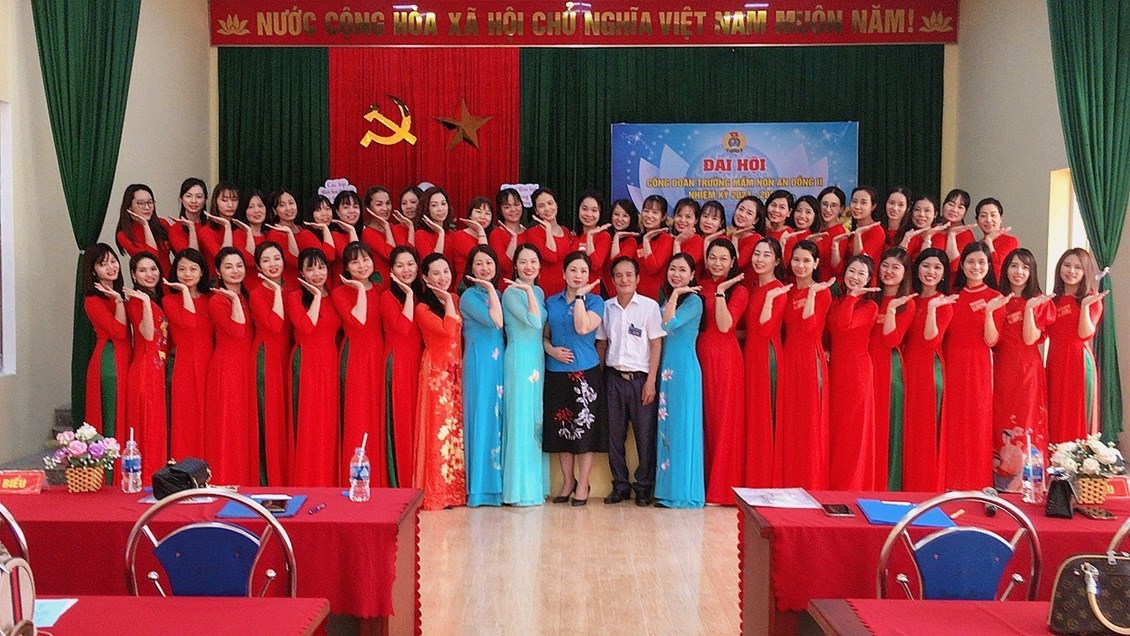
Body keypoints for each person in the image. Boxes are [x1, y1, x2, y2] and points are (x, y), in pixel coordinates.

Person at [597, 256, 665, 506]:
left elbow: (656, 344)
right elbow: (602, 344)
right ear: (612, 279)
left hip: (640, 380)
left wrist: (651, 381)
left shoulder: (649, 307)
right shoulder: (606, 308)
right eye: (618, 275)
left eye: (629, 275)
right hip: (613, 378)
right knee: (614, 436)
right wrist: (600, 378)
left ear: (637, 278)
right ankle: (620, 485)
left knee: (644, 436)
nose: (624, 280)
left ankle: (644, 486)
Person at [543, 251, 605, 506]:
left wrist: (580, 297)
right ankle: (568, 481)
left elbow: (582, 327)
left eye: (583, 271)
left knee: (585, 432)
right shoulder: (551, 302)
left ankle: (583, 483)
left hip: (585, 373)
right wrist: (551, 351)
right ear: (564, 273)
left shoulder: (595, 302)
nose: (578, 275)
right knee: (562, 430)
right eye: (573, 270)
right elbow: (544, 336)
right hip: (556, 372)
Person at [990, 248, 1054, 491]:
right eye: (1014, 266)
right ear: (1005, 269)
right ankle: (1000, 482)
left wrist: (1028, 309)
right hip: (1000, 369)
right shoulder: (997, 300)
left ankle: (1028, 484)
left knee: (1027, 422)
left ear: (1032, 272)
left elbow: (1030, 339)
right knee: (999, 422)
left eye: (1025, 267)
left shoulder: (1039, 302)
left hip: (1027, 371)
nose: (1019, 272)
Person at [773, 240, 834, 489]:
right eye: (796, 260)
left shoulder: (823, 293)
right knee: (790, 420)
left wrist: (810, 294)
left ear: (816, 264)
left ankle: (810, 482)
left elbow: (809, 326)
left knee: (809, 422)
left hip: (810, 360)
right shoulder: (786, 292)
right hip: (788, 357)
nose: (800, 265)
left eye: (806, 261)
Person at [942, 241, 1003, 490]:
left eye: (981, 262)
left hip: (978, 366)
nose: (976, 267)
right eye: (970, 261)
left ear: (988, 266)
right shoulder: (952, 296)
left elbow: (991, 340)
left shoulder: (995, 298)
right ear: (962, 265)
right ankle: (949, 482)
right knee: (952, 422)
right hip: (950, 364)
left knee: (977, 422)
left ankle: (977, 484)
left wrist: (988, 313)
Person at [332, 242, 388, 487]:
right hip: (355, 357)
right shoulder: (340, 293)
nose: (362, 266)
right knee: (358, 415)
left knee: (378, 416)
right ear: (346, 267)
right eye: (355, 262)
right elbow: (359, 321)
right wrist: (360, 290)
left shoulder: (382, 290)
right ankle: (356, 479)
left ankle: (380, 479)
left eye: (366, 259)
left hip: (379, 356)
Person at [414, 253, 467, 510]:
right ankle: (438, 492)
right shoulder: (422, 308)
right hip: (436, 372)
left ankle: (455, 491)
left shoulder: (456, 299)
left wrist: (449, 300)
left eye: (446, 271)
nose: (442, 277)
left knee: (456, 429)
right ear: (425, 278)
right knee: (439, 428)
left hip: (456, 370)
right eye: (436, 273)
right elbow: (448, 330)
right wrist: (446, 301)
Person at [286, 248, 342, 486]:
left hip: (331, 361)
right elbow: (306, 327)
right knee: (309, 423)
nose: (317, 273)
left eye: (321, 267)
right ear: (301, 273)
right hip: (306, 362)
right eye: (310, 269)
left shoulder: (336, 295)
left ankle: (328, 479)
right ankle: (308, 480)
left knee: (329, 422)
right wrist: (317, 296)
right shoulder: (294, 297)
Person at [698, 239, 748, 503]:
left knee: (723, 420)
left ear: (732, 262)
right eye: (713, 257)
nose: (717, 263)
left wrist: (720, 293)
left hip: (726, 359)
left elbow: (725, 325)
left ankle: (721, 489)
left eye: (723, 259)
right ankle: (701, 484)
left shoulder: (739, 290)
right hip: (699, 355)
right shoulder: (699, 285)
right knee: (704, 421)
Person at [901, 248, 954, 491]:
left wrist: (932, 309)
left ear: (944, 274)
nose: (930, 272)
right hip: (906, 369)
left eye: (937, 267)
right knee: (907, 430)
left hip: (929, 371)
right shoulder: (909, 300)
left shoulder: (944, 304)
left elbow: (931, 340)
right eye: (926, 266)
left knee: (925, 432)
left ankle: (924, 488)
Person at [501, 244, 549, 506]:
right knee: (520, 418)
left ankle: (535, 486)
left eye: (533, 261)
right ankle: (518, 490)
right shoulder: (510, 293)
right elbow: (534, 321)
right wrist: (528, 291)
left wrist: (532, 292)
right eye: (523, 262)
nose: (528, 266)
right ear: (515, 266)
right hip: (519, 360)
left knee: (535, 418)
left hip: (536, 359)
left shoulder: (539, 291)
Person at [655, 253, 704, 508]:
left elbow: (667, 324)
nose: (676, 274)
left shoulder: (694, 301)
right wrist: (671, 296)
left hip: (684, 369)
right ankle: (667, 489)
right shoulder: (666, 298)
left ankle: (683, 492)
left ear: (692, 275)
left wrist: (674, 295)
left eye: (682, 270)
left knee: (683, 428)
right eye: (672, 269)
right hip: (667, 368)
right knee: (668, 427)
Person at [206, 247, 258, 486]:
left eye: (239, 266)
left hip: (245, 365)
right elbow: (237, 331)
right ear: (218, 271)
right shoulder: (218, 300)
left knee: (243, 425)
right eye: (228, 267)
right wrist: (235, 299)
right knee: (230, 424)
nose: (235, 271)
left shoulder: (247, 296)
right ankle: (227, 479)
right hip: (228, 366)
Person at [828, 255, 879, 490]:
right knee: (836, 429)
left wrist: (852, 297)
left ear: (869, 279)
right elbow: (831, 332)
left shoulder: (870, 306)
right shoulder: (836, 302)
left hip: (857, 372)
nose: (855, 277)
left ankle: (849, 486)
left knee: (852, 431)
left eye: (861, 274)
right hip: (835, 370)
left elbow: (844, 324)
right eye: (852, 271)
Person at [1047, 247, 1107, 443]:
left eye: (1078, 267)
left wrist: (1085, 307)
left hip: (1078, 363)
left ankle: (1076, 459)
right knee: (1054, 414)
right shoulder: (1052, 301)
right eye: (1067, 265)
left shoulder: (1091, 300)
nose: (1071, 271)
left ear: (1085, 272)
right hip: (1055, 363)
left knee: (1078, 415)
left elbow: (1084, 334)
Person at [460, 246, 505, 507]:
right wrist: (489, 289)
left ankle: (497, 487)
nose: (485, 268)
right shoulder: (468, 296)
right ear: (471, 269)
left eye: (489, 262)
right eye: (479, 263)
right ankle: (479, 489)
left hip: (498, 363)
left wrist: (492, 291)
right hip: (479, 363)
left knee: (496, 418)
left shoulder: (497, 294)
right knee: (481, 417)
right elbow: (495, 321)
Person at [870, 248, 917, 490]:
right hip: (865, 368)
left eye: (896, 267)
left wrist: (890, 310)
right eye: (885, 265)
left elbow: (891, 340)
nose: (889, 271)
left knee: (888, 428)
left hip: (890, 370)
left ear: (905, 273)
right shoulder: (869, 298)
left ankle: (887, 486)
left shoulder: (907, 305)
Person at [123, 252, 169, 480]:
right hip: (145, 369)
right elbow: (148, 334)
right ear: (133, 275)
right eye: (142, 270)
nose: (149, 274)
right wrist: (146, 303)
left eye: (153, 269)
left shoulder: (158, 297)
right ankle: (147, 479)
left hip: (158, 368)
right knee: (149, 428)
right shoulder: (135, 300)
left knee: (157, 428)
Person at [745, 237, 788, 486]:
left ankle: (764, 480)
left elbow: (764, 329)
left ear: (777, 261)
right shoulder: (754, 287)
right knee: (753, 417)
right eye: (757, 254)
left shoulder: (777, 289)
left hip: (767, 357)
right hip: (751, 355)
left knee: (765, 416)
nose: (760, 259)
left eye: (766, 255)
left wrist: (770, 299)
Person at [163, 249, 212, 461]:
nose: (187, 274)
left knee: (209, 419)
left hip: (210, 363)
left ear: (202, 272)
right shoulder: (169, 301)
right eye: (182, 269)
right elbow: (189, 322)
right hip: (184, 365)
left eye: (193, 269)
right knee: (186, 419)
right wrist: (184, 291)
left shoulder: (211, 299)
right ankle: (184, 468)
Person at [249, 241, 292, 486]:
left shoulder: (292, 289)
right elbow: (275, 325)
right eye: (266, 260)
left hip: (287, 357)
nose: (272, 264)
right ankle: (269, 479)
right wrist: (276, 291)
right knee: (270, 418)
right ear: (258, 267)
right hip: (267, 358)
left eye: (276, 258)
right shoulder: (257, 293)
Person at [382, 246, 425, 487]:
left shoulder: (424, 293)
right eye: (400, 266)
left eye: (410, 264)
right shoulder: (387, 297)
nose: (406, 270)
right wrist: (408, 295)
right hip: (398, 363)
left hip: (421, 362)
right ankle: (404, 481)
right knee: (403, 422)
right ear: (391, 271)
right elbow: (403, 327)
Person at [82, 244, 130, 438]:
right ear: (93, 271)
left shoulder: (120, 294)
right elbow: (119, 332)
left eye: (113, 261)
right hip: (110, 360)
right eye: (103, 264)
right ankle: (110, 457)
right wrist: (118, 302)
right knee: (111, 416)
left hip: (125, 357)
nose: (111, 267)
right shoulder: (93, 301)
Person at [526, 188, 575, 297]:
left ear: (556, 205)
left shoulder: (566, 231)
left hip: (567, 287)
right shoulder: (532, 233)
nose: (547, 208)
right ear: (536, 210)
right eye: (541, 206)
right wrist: (548, 230)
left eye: (550, 203)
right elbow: (551, 257)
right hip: (546, 288)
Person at [115, 184, 172, 273]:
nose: (147, 207)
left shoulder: (162, 224)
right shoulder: (124, 234)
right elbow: (151, 260)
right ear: (129, 207)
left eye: (150, 202)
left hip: (171, 278)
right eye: (141, 203)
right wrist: (145, 225)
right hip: (148, 279)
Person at [449, 196, 492, 290]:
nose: (483, 217)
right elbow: (482, 258)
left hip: (487, 286)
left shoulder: (490, 237)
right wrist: (480, 231)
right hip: (467, 286)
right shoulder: (460, 235)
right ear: (470, 215)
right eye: (478, 212)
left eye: (487, 213)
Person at [574, 191, 611, 296]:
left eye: (594, 210)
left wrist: (589, 237)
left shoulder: (604, 237)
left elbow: (595, 265)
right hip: (572, 291)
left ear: (600, 213)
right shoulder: (574, 235)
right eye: (584, 209)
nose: (588, 214)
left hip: (593, 292)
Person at [637, 195, 673, 299]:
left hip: (656, 298)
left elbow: (653, 268)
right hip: (636, 296)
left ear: (663, 217)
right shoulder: (637, 238)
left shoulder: (666, 239)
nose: (649, 215)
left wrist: (646, 241)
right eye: (646, 211)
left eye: (655, 212)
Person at [975, 197, 1019, 281]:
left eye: (993, 215)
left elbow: (998, 271)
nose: (988, 220)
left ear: (1001, 219)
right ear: (977, 220)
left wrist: (989, 241)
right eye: (983, 216)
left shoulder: (1010, 241)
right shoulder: (977, 245)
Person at [490, 188, 526, 283]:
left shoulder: (528, 232)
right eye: (507, 207)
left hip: (529, 285)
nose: (513, 210)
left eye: (516, 204)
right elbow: (504, 266)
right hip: (506, 286)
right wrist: (513, 240)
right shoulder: (496, 234)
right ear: (500, 210)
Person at [606, 199, 641, 297]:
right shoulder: (605, 236)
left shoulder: (631, 241)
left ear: (631, 219)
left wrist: (617, 237)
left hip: (618, 291)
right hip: (603, 288)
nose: (620, 219)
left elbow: (617, 264)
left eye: (625, 216)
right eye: (616, 214)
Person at [814, 186, 848, 282]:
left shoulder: (840, 233)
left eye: (833, 205)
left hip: (828, 284)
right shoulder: (814, 227)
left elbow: (837, 269)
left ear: (841, 209)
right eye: (825, 204)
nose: (828, 209)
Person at [169, 178, 206, 256]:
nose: (194, 201)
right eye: (188, 196)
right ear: (181, 199)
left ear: (205, 200)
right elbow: (191, 259)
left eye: (199, 196)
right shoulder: (176, 229)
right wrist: (191, 228)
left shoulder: (211, 226)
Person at [415, 187, 452, 259]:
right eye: (434, 205)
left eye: (443, 203)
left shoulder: (452, 234)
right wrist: (441, 233)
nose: (440, 209)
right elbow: (434, 263)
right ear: (426, 208)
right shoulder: (421, 234)